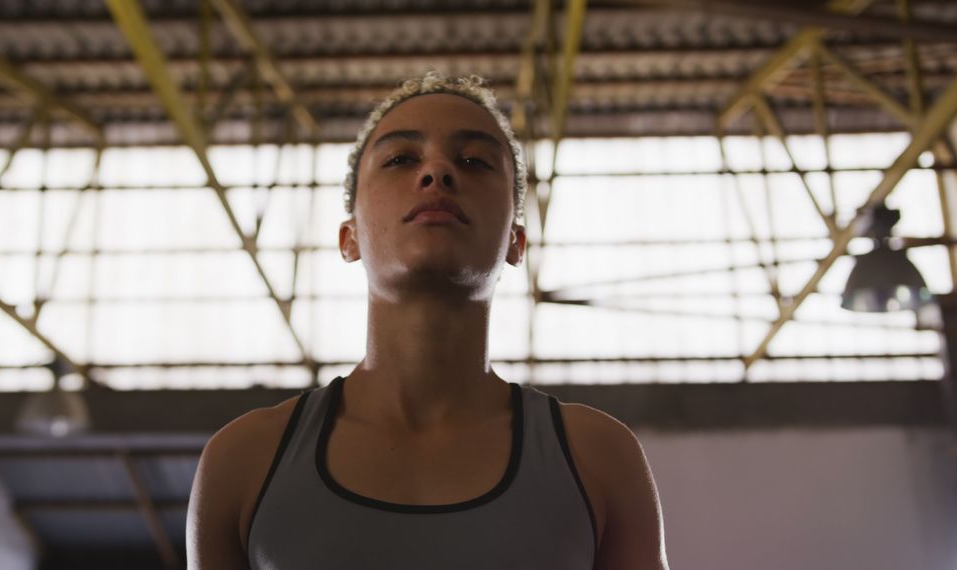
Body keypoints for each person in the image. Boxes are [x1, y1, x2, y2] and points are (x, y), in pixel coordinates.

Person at [186, 72, 669, 569]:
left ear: (515, 242)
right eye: (400, 159)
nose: (437, 171)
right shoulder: (243, 461)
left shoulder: (600, 459)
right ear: (349, 237)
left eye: (474, 161)